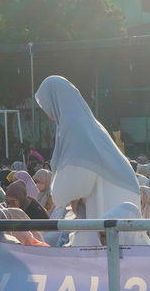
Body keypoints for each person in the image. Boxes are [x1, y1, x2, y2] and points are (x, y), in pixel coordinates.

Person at [35, 76, 142, 235]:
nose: (47, 111)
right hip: (115, 193)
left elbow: (78, 175)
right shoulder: (79, 121)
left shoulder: (73, 124)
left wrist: (63, 195)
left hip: (111, 196)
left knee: (106, 249)